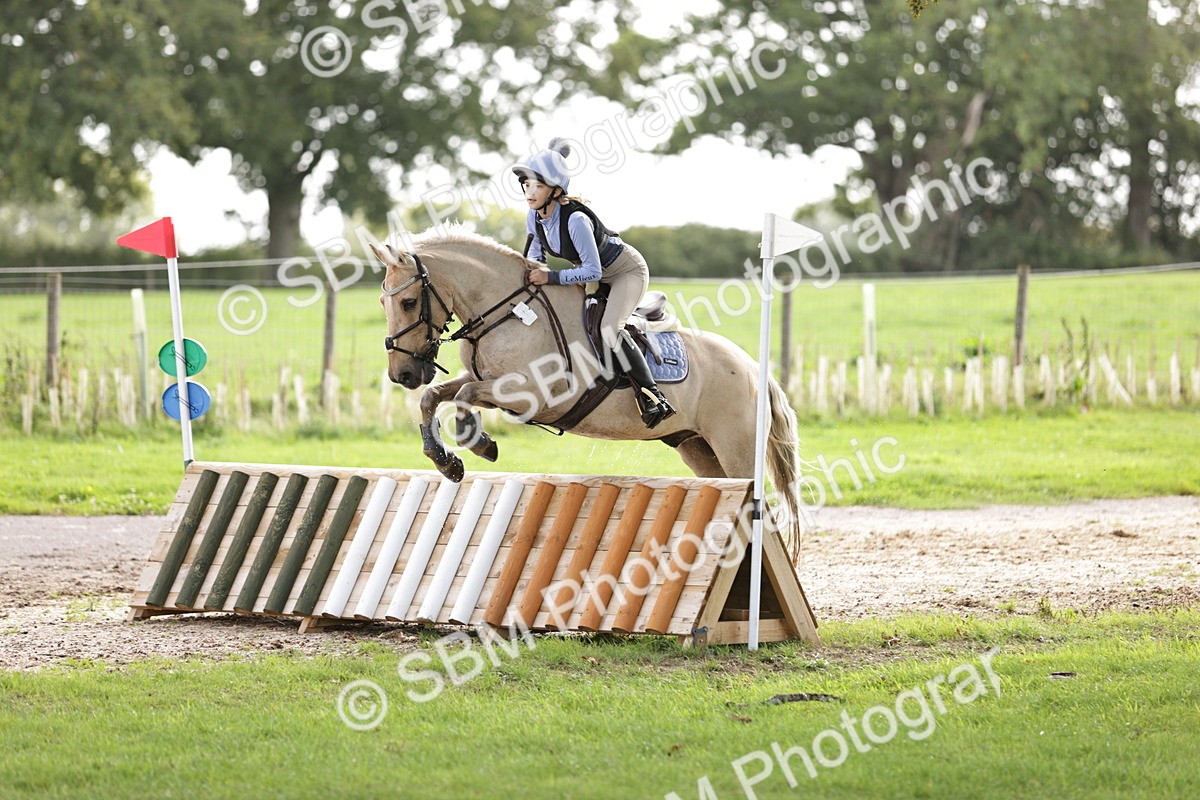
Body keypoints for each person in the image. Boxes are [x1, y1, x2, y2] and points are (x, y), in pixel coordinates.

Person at [512, 138, 676, 429]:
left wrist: (550, 277)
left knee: (609, 329)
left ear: (556, 190)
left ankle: (653, 397)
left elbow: (591, 270)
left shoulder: (575, 219)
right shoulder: (534, 218)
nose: (530, 192)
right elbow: (536, 262)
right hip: (595, 275)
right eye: (526, 185)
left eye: (537, 186)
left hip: (625, 272)